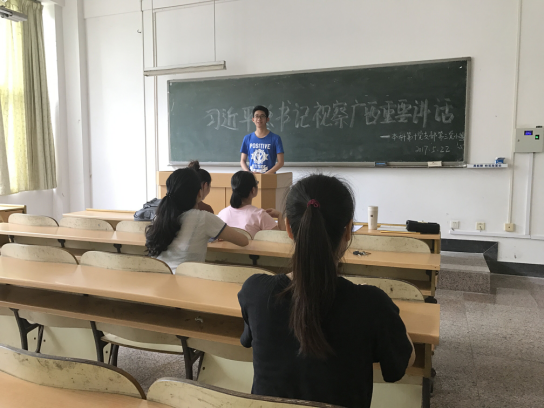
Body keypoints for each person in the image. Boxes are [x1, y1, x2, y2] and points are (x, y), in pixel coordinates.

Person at [237, 174, 415, 408]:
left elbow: (248, 340)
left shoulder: (255, 292)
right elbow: (402, 364)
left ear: (288, 228)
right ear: (348, 231)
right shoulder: (372, 304)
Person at [145, 167, 249, 271]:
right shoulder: (203, 217)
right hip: (185, 279)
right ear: (199, 193)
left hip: (156, 277)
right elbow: (244, 241)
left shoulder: (159, 217)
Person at [218, 171, 285, 238]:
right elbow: (281, 239)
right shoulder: (260, 215)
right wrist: (280, 216)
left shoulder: (221, 214)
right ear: (253, 190)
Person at [240, 105, 284, 174]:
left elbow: (280, 162)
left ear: (267, 119)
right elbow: (242, 161)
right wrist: (249, 174)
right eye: (256, 116)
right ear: (253, 119)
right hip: (252, 177)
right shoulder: (247, 138)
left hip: (269, 177)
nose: (259, 119)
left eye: (262, 116)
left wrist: (265, 175)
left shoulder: (275, 138)